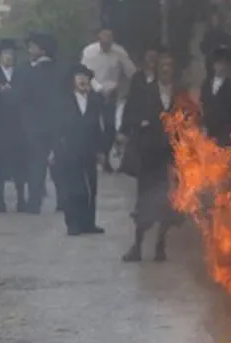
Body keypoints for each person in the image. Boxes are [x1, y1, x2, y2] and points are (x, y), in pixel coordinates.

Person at [120, 52, 185, 262]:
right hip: (149, 155)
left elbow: (191, 117)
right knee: (145, 200)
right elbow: (131, 114)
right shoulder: (145, 91)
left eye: (170, 65)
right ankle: (137, 246)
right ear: (157, 68)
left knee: (167, 201)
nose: (166, 69)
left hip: (171, 156)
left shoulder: (180, 94)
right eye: (163, 65)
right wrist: (140, 124)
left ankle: (160, 245)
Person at [55, 64, 106, 236]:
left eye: (86, 77)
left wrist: (101, 150)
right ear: (73, 81)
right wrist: (57, 148)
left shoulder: (94, 101)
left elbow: (99, 127)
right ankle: (73, 223)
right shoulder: (63, 100)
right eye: (79, 77)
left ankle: (89, 223)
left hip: (89, 149)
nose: (83, 80)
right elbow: (56, 126)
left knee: (91, 187)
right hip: (68, 150)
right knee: (73, 189)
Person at [81, 26, 137, 173]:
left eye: (109, 41)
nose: (106, 44)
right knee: (92, 125)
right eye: (103, 41)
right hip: (93, 90)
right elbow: (85, 74)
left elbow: (131, 72)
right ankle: (92, 156)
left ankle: (104, 156)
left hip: (112, 92)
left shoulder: (119, 52)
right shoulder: (89, 52)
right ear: (98, 39)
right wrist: (99, 89)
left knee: (110, 126)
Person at [18, 32, 63, 214]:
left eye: (33, 46)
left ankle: (34, 201)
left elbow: (22, 99)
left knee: (36, 164)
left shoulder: (29, 72)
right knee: (58, 164)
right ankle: (62, 200)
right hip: (57, 123)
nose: (30, 49)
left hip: (35, 125)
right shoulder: (61, 70)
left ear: (42, 50)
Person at [0, 38, 26, 212]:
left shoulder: (22, 74)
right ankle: (0, 199)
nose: (8, 57)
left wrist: (14, 94)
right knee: (0, 163)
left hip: (19, 125)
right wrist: (0, 94)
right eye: (5, 54)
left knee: (20, 163)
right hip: (0, 125)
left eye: (11, 54)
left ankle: (21, 198)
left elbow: (27, 96)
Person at [200, 46, 231, 150]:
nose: (220, 67)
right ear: (213, 65)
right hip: (210, 132)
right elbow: (203, 106)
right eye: (218, 63)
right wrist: (203, 126)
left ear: (227, 65)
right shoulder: (206, 85)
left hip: (226, 132)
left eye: (223, 63)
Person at [200, 11, 231, 78]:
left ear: (219, 21)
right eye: (212, 20)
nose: (214, 22)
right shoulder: (207, 35)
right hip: (210, 63)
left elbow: (229, 47)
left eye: (216, 20)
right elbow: (203, 48)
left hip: (221, 63)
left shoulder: (224, 34)